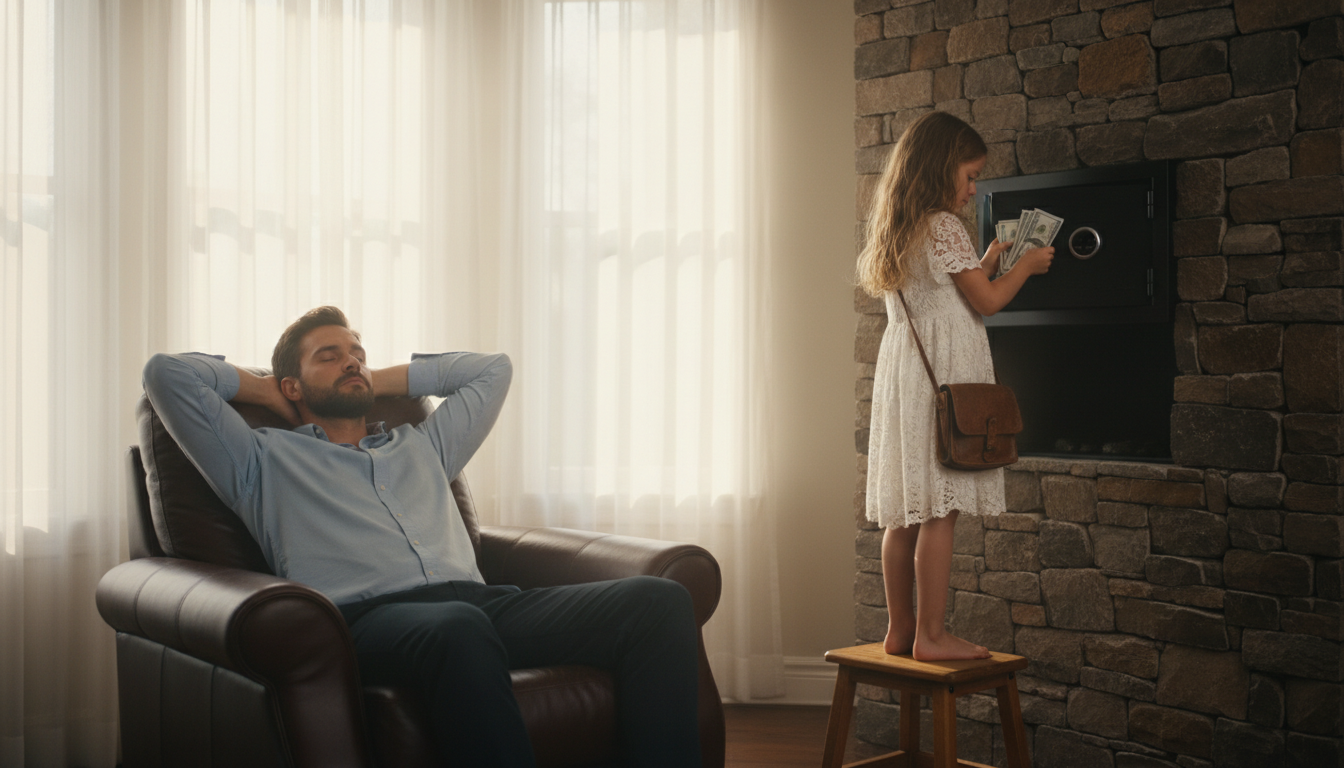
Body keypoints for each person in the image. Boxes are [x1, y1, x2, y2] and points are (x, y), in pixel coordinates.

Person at [142, 306, 701, 768]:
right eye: (329, 356)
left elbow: (493, 370)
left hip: (484, 609)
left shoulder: (424, 446)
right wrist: (266, 392)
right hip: (369, 621)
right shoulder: (259, 462)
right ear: (292, 383)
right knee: (457, 627)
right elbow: (167, 374)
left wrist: (368, 379)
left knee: (658, 600)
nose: (351, 361)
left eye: (356, 352)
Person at [857, 112, 1053, 662]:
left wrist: (988, 260)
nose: (973, 189)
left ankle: (900, 631)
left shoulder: (901, 225)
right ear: (942, 168)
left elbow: (948, 289)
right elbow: (985, 303)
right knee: (940, 511)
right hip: (942, 377)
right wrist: (1027, 265)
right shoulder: (944, 225)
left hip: (906, 377)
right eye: (969, 176)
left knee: (907, 511)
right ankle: (933, 636)